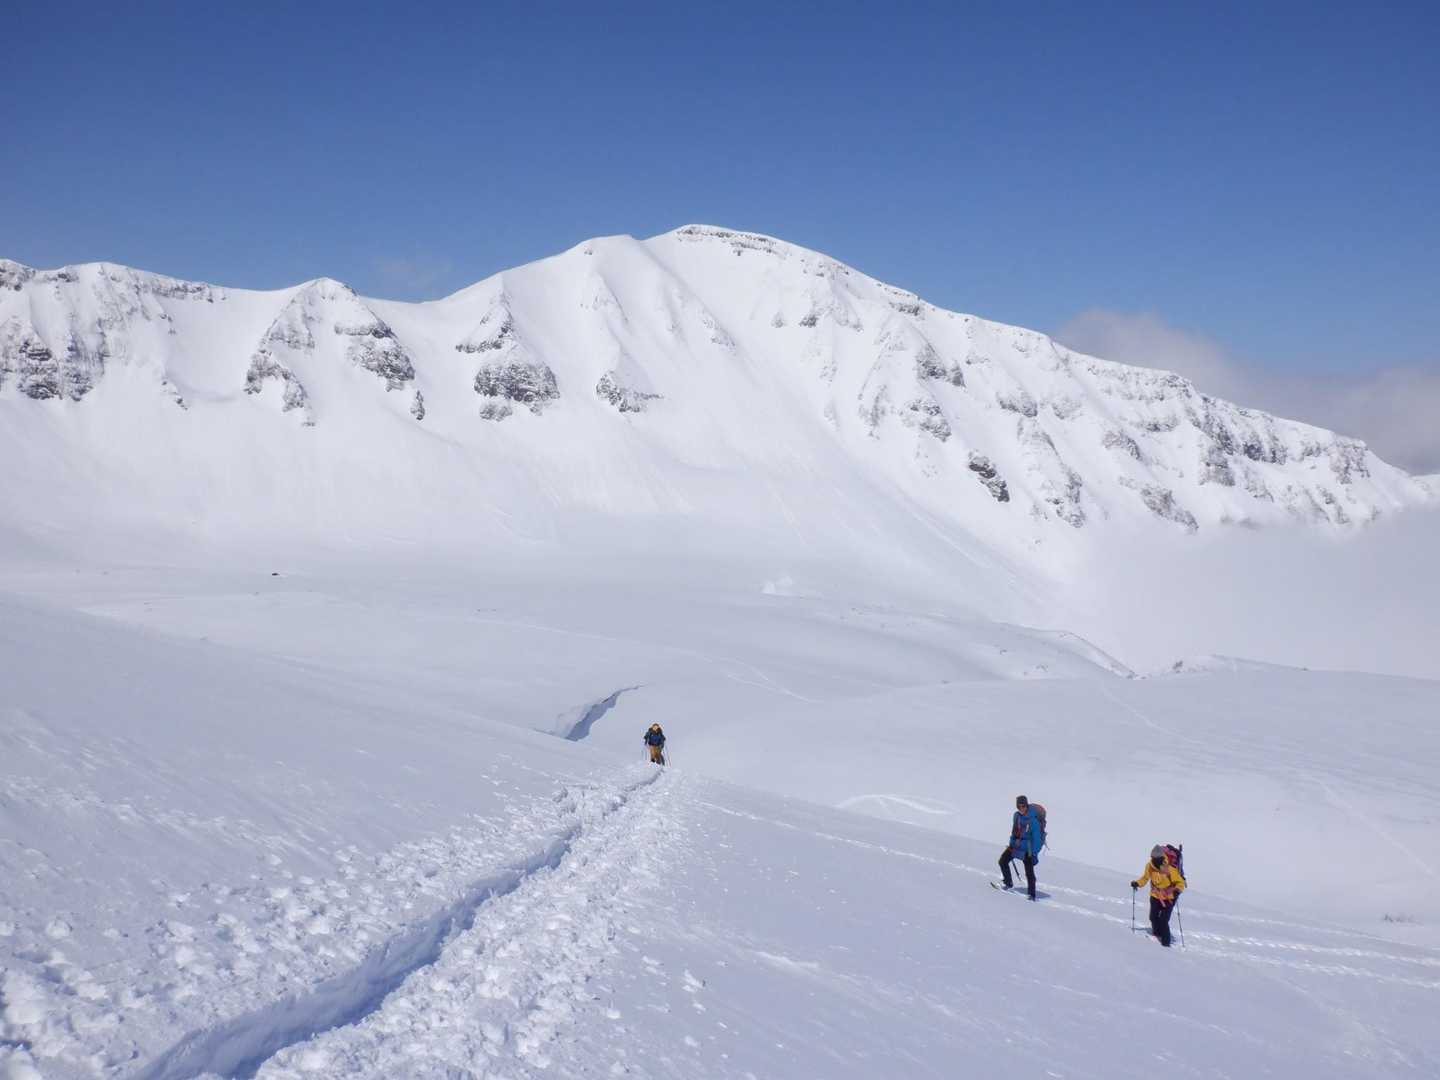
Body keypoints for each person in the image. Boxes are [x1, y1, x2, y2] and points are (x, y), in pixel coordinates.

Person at [1132, 845, 1186, 947]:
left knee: (1164, 920)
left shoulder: (1169, 868)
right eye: (1153, 858)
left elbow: (1180, 882)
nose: (1154, 860)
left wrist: (1177, 891)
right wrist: (1137, 883)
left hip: (1169, 898)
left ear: (1162, 857)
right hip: (1155, 895)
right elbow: (1145, 878)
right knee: (1153, 917)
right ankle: (1157, 934)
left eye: (1156, 858)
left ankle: (1166, 943)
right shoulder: (1149, 866)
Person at [998, 795, 1042, 899]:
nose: (1021, 808)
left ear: (1027, 805)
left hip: (1028, 849)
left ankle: (1031, 894)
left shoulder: (1033, 821)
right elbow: (1014, 831)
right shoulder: (1016, 816)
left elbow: (1037, 839)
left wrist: (1034, 853)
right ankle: (1008, 883)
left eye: (1023, 806)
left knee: (1029, 872)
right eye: (1019, 806)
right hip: (1016, 845)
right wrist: (1011, 843)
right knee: (1002, 861)